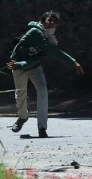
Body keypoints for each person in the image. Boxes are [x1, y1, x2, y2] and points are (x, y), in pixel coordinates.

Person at [7, 10, 84, 138]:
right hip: (18, 63)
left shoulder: (51, 39)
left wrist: (73, 62)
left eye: (54, 22)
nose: (52, 23)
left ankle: (42, 128)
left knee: (42, 90)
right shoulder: (36, 32)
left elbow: (40, 56)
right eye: (49, 20)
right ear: (43, 21)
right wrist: (73, 62)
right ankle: (22, 117)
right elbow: (52, 51)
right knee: (20, 93)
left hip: (33, 65)